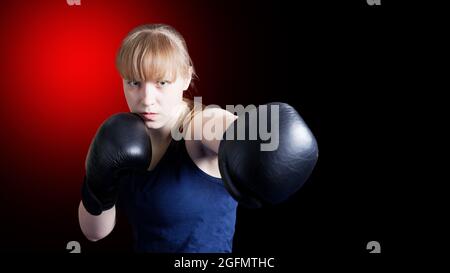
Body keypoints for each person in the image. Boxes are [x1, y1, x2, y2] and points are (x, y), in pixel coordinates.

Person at [78, 24, 318, 253]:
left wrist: (249, 136)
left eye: (161, 82)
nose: (147, 99)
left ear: (185, 78)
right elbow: (95, 233)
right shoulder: (120, 136)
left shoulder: (200, 126)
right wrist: (97, 182)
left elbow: (225, 127)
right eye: (134, 83)